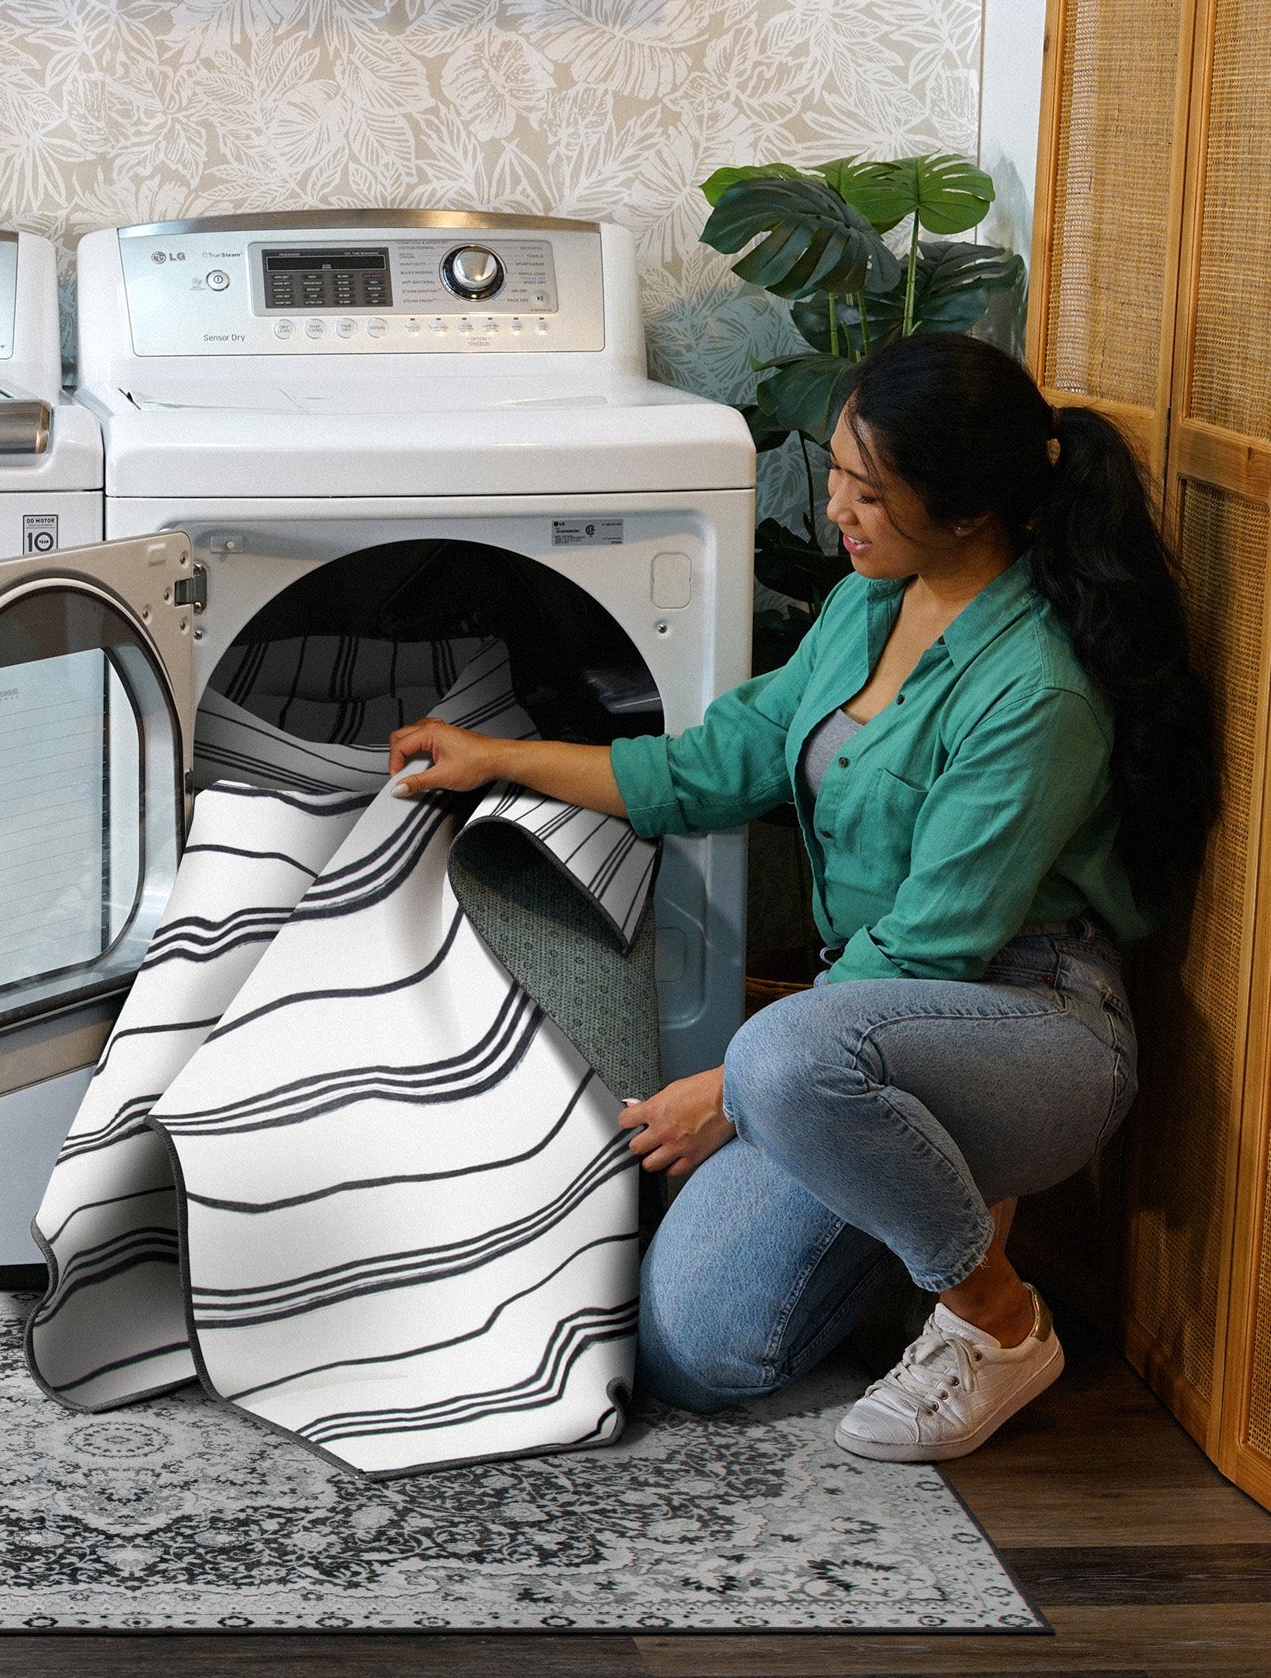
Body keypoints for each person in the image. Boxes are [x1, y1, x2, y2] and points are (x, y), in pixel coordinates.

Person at [386, 332, 1216, 1462]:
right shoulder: (866, 608)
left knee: (781, 1058)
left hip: (1031, 1025)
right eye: (832, 472)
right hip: (854, 1030)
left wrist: (726, 1091)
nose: (834, 507)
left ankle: (996, 1322)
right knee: (689, 1351)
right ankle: (908, 1189)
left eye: (865, 490)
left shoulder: (1035, 690)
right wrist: (497, 756)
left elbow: (936, 943)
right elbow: (711, 765)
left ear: (969, 510)